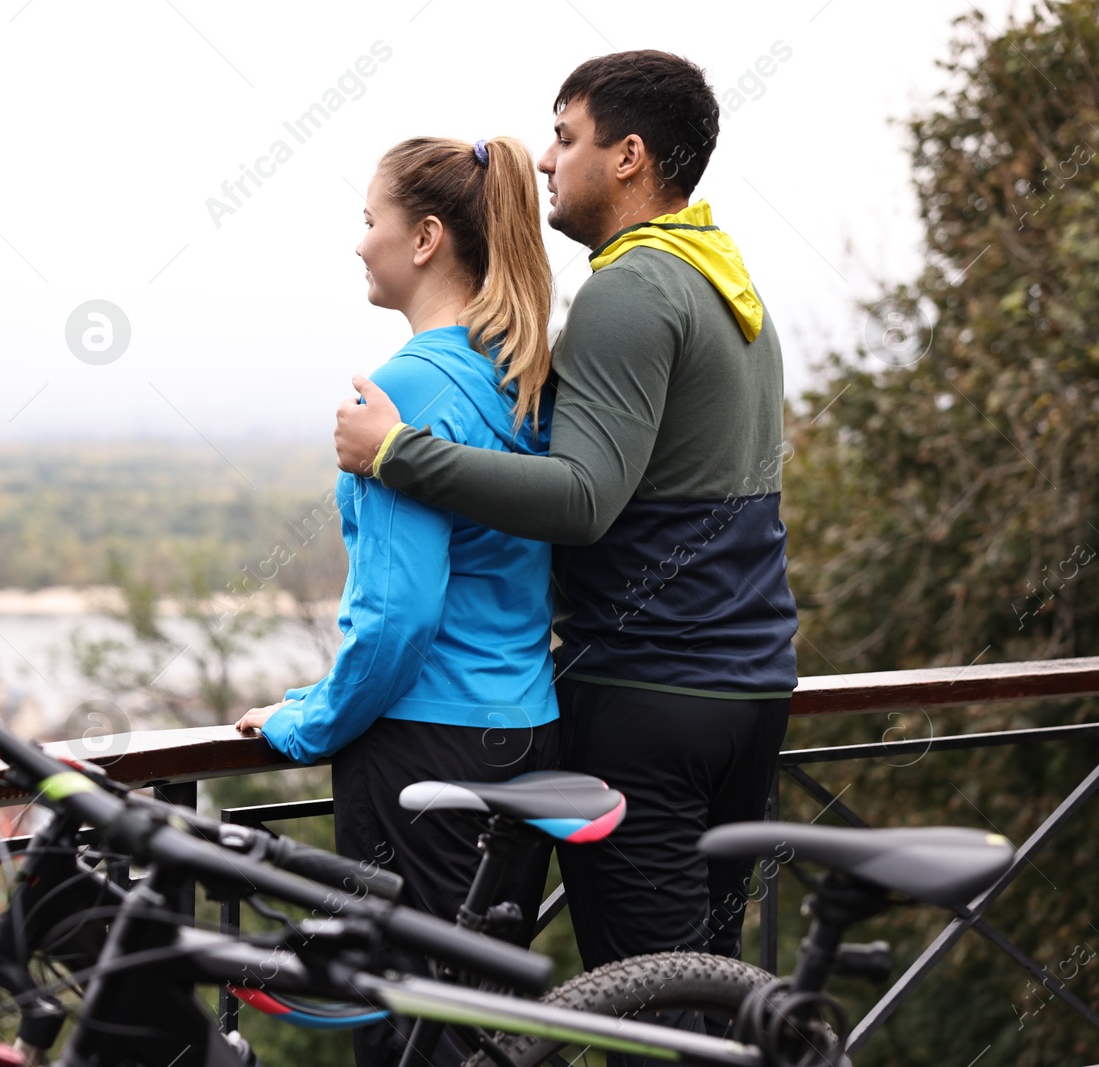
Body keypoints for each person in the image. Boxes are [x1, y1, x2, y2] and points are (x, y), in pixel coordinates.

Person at [332, 50, 798, 1058]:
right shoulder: (728, 281)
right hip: (747, 690)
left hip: (649, 695)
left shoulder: (633, 290)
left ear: (627, 157)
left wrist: (400, 452)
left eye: (566, 137)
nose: (545, 161)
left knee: (660, 1019)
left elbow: (583, 499)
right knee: (714, 1000)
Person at [235, 134, 560, 1067]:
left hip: (427, 750)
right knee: (478, 1027)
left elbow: (400, 615)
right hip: (526, 733)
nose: (356, 242)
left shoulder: (407, 385)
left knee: (406, 1034)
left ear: (424, 238)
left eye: (367, 220)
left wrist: (311, 720)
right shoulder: (518, 372)